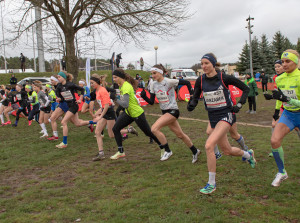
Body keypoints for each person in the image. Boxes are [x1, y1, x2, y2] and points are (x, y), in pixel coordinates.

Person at [187, 53, 255, 194]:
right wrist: (192, 104)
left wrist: (240, 104)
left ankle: (211, 184)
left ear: (213, 64)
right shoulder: (200, 80)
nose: (204, 66)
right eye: (202, 64)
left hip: (226, 114)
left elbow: (246, 89)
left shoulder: (224, 77)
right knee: (227, 150)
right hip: (212, 117)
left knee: (209, 145)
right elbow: (195, 96)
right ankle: (248, 155)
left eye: (206, 63)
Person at [141, 64, 200, 162]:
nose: (153, 75)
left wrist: (191, 96)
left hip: (173, 111)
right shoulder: (153, 84)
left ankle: (167, 150)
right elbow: (151, 102)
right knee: (180, 135)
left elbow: (187, 83)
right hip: (165, 112)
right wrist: (144, 97)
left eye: (154, 73)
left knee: (154, 129)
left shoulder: (168, 81)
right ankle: (195, 151)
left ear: (160, 72)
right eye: (151, 74)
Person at [110, 68, 165, 160]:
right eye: (113, 77)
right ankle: (121, 151)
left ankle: (163, 148)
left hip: (137, 113)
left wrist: (115, 98)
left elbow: (125, 104)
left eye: (115, 77)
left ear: (121, 77)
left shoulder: (126, 86)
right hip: (129, 113)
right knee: (115, 128)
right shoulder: (121, 86)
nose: (114, 79)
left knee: (148, 133)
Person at [264, 49, 300, 187]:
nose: (284, 64)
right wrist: (275, 105)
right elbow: (281, 97)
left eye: (287, 61)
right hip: (288, 115)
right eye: (282, 61)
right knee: (274, 140)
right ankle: (282, 172)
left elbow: (285, 98)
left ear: (296, 62)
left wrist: (287, 99)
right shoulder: (279, 78)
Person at [90, 74, 135, 161]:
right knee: (97, 132)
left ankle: (129, 130)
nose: (91, 85)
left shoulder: (103, 91)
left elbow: (107, 105)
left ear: (97, 82)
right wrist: (97, 113)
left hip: (109, 113)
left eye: (92, 83)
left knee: (111, 134)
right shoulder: (97, 91)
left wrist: (100, 116)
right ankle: (101, 153)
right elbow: (102, 105)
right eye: (90, 83)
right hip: (105, 112)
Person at [54, 71, 96, 148]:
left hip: (74, 105)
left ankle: (64, 143)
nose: (58, 78)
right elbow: (61, 97)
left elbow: (82, 90)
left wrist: (80, 99)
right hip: (68, 106)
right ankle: (93, 122)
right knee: (77, 123)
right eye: (57, 77)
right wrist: (59, 99)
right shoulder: (59, 86)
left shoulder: (70, 84)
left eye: (59, 77)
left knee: (63, 122)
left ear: (64, 77)